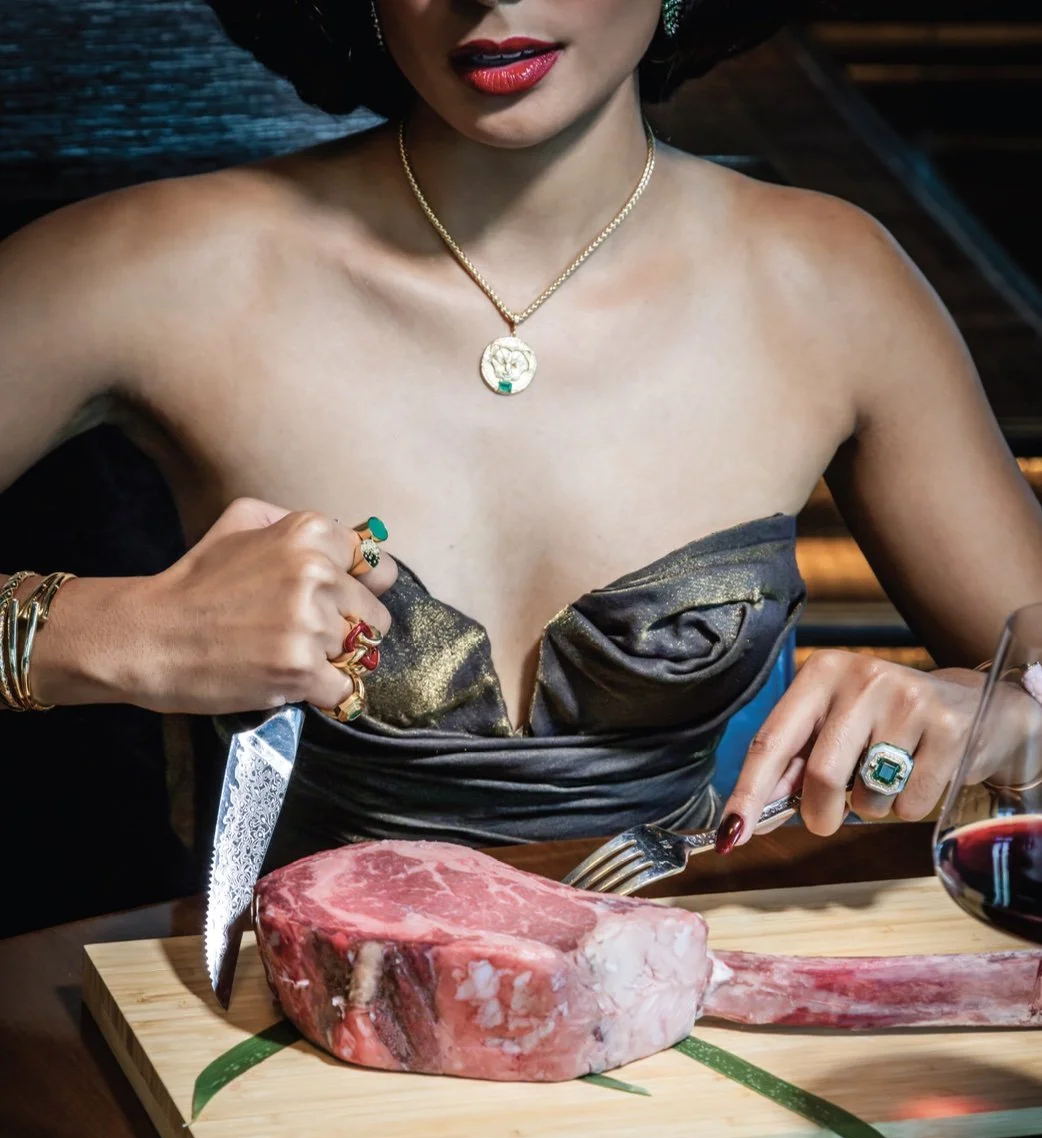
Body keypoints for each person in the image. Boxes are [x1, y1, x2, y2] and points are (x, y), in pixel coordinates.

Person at [0, 0, 1039, 865]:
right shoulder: (155, 267)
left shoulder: (829, 280)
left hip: (694, 1053)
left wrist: (1000, 718)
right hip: (267, 1066)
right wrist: (100, 635)